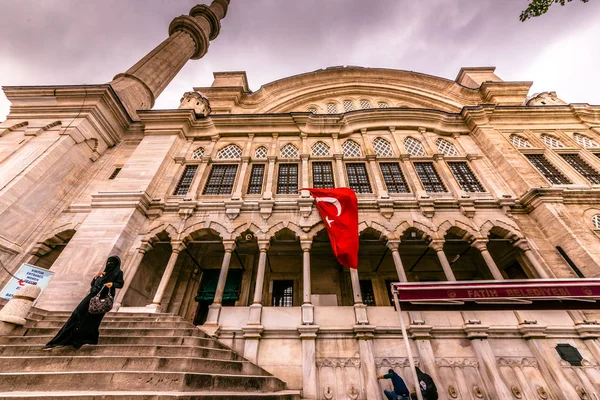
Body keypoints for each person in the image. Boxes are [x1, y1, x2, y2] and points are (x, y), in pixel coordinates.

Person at [43, 255, 124, 350]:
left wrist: (112, 284)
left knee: (92, 320)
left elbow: (120, 284)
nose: (110, 264)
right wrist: (96, 278)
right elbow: (93, 285)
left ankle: (85, 340)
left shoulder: (118, 272)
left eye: (112, 263)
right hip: (92, 296)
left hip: (102, 299)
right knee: (77, 314)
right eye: (109, 262)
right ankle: (62, 339)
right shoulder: (103, 273)